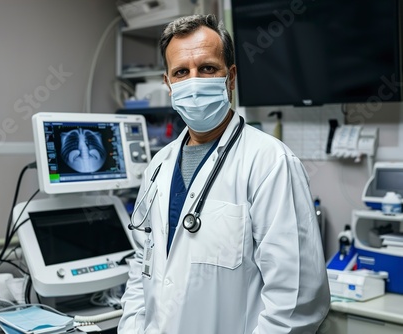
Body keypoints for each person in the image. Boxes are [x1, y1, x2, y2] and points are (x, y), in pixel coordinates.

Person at [118, 14, 330, 334]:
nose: (193, 81)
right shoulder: (158, 166)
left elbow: (296, 300)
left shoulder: (269, 162)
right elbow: (141, 270)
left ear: (229, 77)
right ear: (168, 84)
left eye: (207, 68)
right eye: (181, 72)